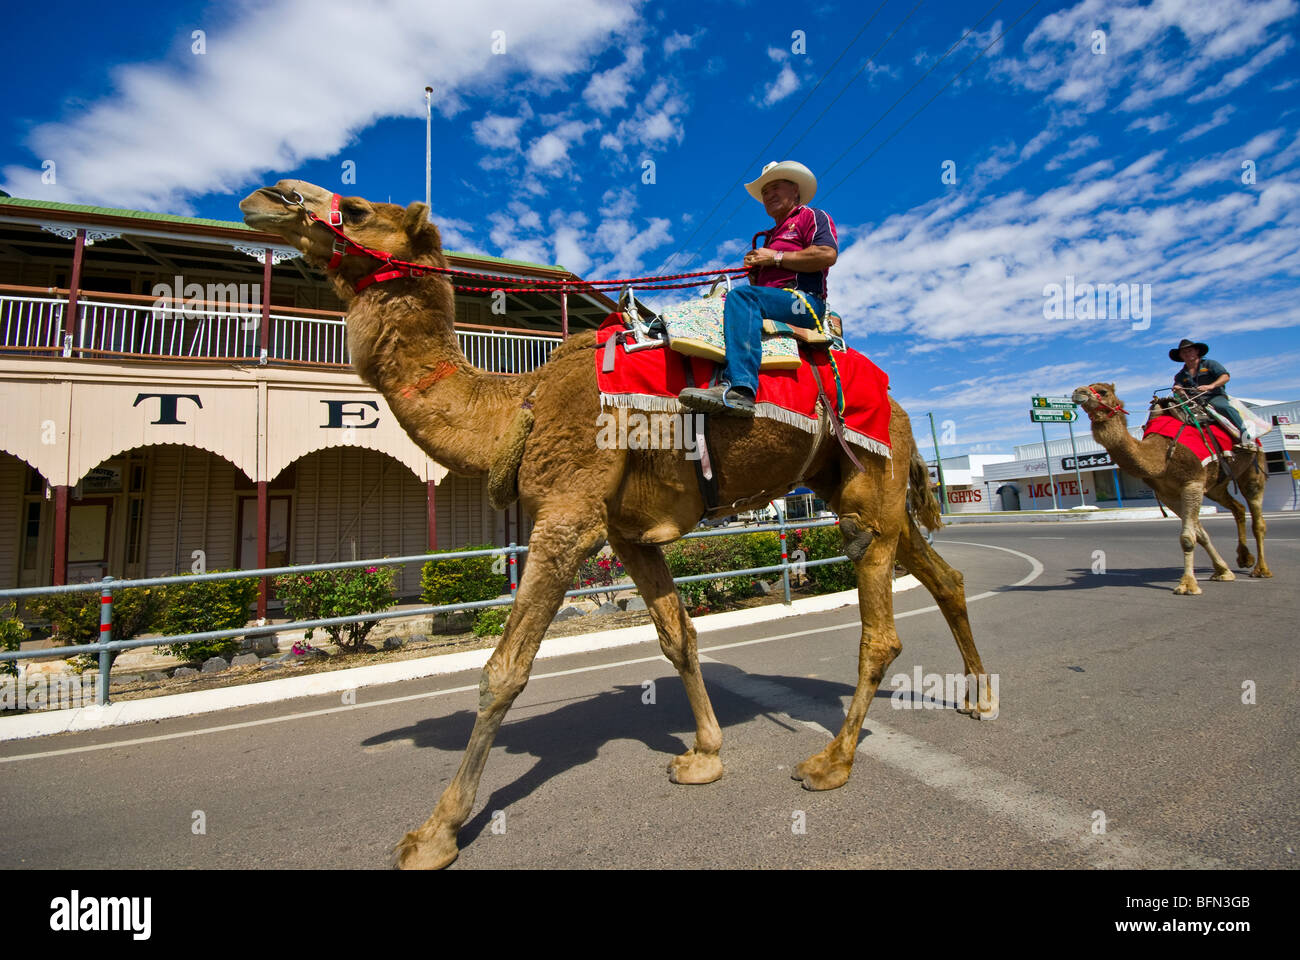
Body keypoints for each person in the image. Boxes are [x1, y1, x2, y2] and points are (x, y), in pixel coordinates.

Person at [678, 160, 838, 417]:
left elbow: (827, 254)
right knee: (724, 302)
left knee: (741, 298)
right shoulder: (770, 236)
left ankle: (740, 388)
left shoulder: (812, 216)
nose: (769, 194)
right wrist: (755, 273)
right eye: (765, 191)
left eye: (776, 187)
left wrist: (773, 258)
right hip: (775, 302)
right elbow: (765, 287)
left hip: (803, 303)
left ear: (795, 190)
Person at [1170, 338, 1255, 447]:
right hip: (1193, 401)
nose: (1187, 354)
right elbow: (1178, 387)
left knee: (1224, 407)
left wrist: (1211, 386)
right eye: (1184, 352)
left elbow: (1225, 376)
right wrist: (1178, 389)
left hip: (1213, 396)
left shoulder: (1210, 364)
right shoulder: (1180, 375)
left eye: (1190, 350)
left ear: (1197, 351)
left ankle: (1245, 434)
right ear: (1181, 356)